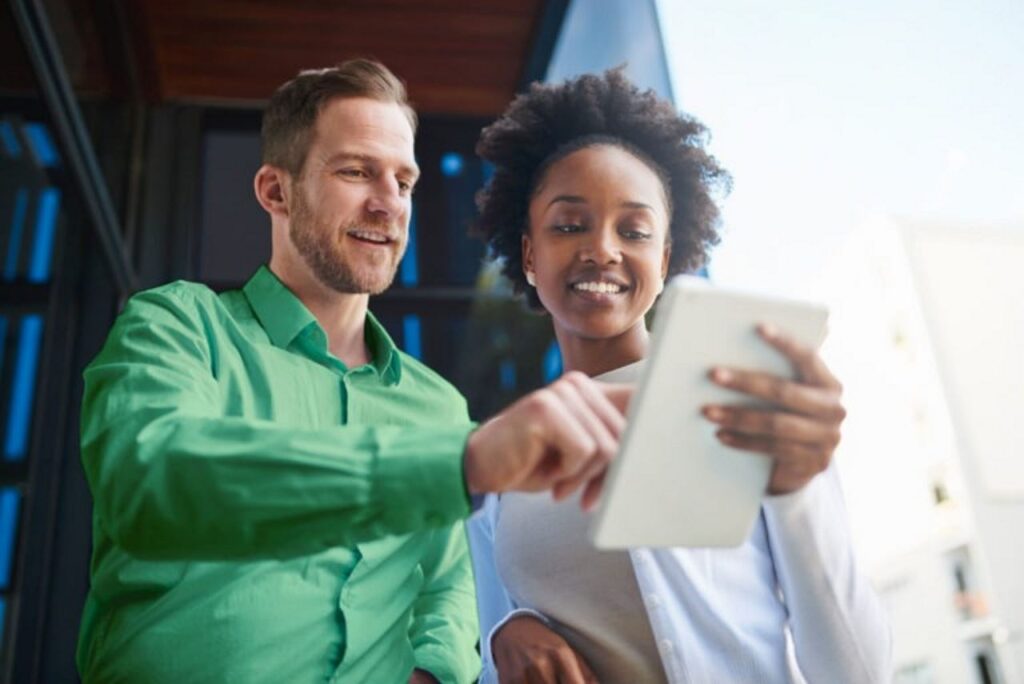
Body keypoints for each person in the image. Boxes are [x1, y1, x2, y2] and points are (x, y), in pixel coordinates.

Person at [76, 59, 631, 683]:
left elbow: (446, 588)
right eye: (356, 172)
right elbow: (153, 484)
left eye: (404, 181)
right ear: (276, 191)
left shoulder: (438, 406)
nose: (388, 203)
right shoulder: (178, 325)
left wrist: (433, 672)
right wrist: (457, 463)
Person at [467, 69, 891, 684]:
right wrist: (505, 635)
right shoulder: (504, 459)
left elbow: (857, 673)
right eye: (569, 224)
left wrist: (796, 490)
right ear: (530, 253)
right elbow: (484, 658)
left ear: (664, 259)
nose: (602, 249)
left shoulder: (740, 399)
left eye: (634, 231)